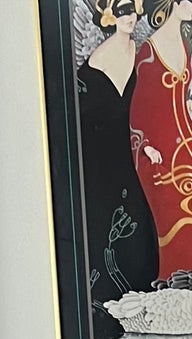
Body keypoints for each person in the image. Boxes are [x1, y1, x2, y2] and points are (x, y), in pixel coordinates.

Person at [128, 0, 192, 279]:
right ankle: (178, 281)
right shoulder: (149, 50)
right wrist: (147, 145)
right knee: (180, 215)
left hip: (186, 137)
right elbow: (140, 107)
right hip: (159, 148)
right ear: (172, 3)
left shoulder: (183, 45)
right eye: (189, 1)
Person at [81, 0, 161, 298]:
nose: (131, 17)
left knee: (140, 224)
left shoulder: (138, 53)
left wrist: (148, 143)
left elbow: (145, 108)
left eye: (133, 11)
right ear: (110, 15)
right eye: (124, 11)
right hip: (103, 158)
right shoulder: (97, 61)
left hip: (132, 152)